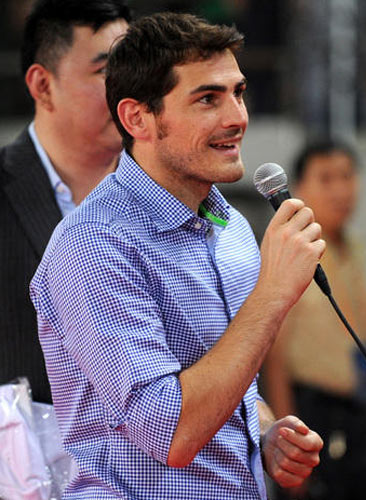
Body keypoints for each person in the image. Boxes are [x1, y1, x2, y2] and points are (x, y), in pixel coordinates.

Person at [30, 12, 326, 499]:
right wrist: (273, 293)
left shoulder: (229, 225)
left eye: (239, 92)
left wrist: (264, 432)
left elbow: (229, 378)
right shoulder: (94, 247)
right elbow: (170, 433)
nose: (237, 117)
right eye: (208, 98)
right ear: (136, 118)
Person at [0, 0, 131, 403]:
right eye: (107, 69)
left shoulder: (168, 193)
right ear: (42, 85)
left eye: (135, 67)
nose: (129, 86)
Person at [265, 139, 366, 500]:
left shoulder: (355, 249)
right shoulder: (288, 251)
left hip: (360, 408)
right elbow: (274, 360)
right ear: (300, 188)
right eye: (326, 178)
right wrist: (287, 447)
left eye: (347, 176)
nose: (341, 189)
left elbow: (363, 348)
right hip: (311, 412)